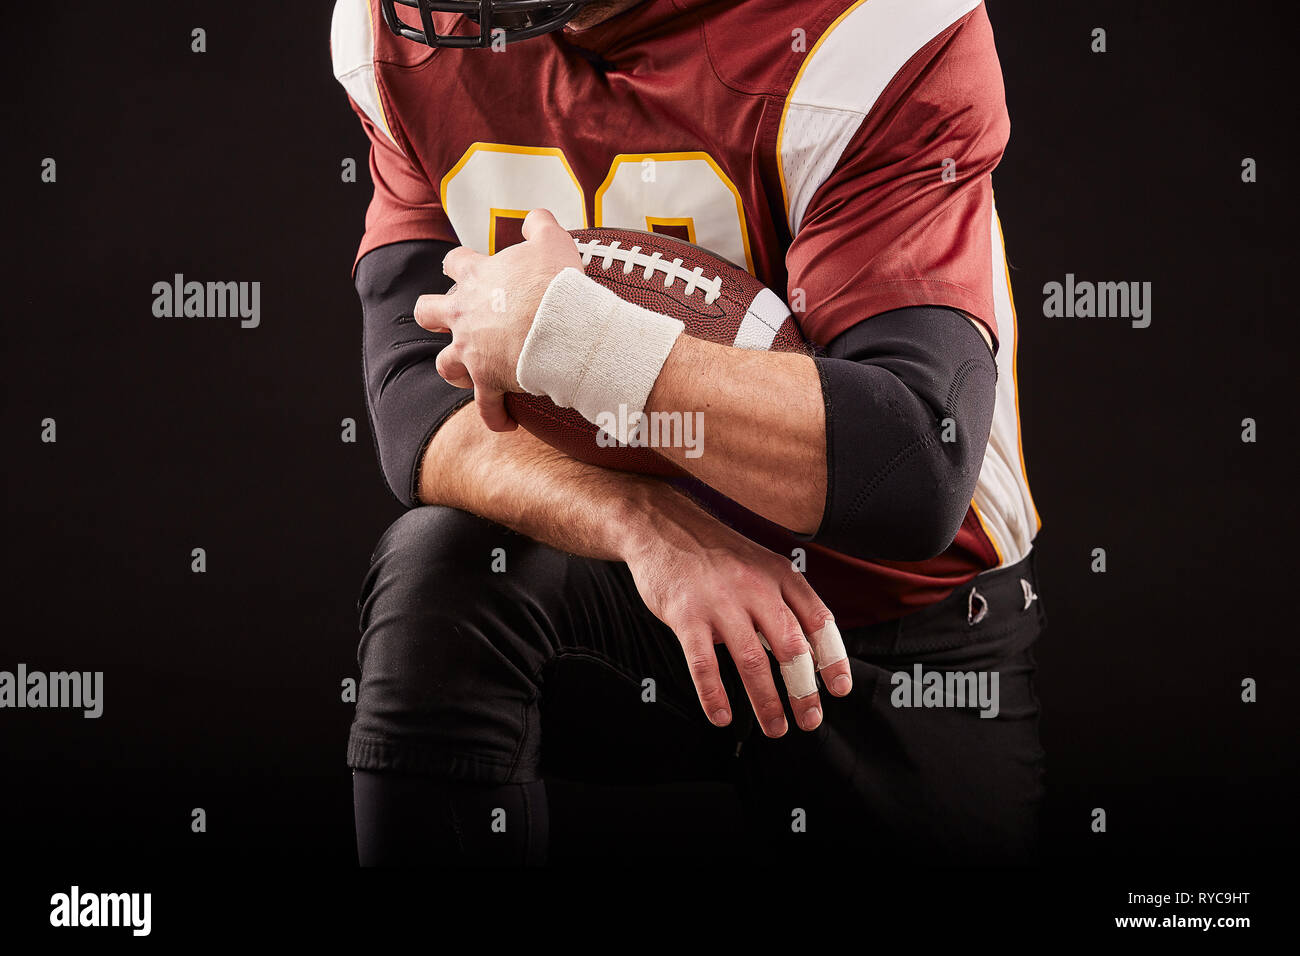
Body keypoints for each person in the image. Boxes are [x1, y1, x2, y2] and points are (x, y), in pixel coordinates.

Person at [332, 0, 1044, 865]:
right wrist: (647, 528)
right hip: (636, 592)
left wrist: (574, 339)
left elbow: (911, 466)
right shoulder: (401, 31)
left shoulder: (868, 27)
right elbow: (418, 398)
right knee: (443, 572)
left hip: (889, 616)